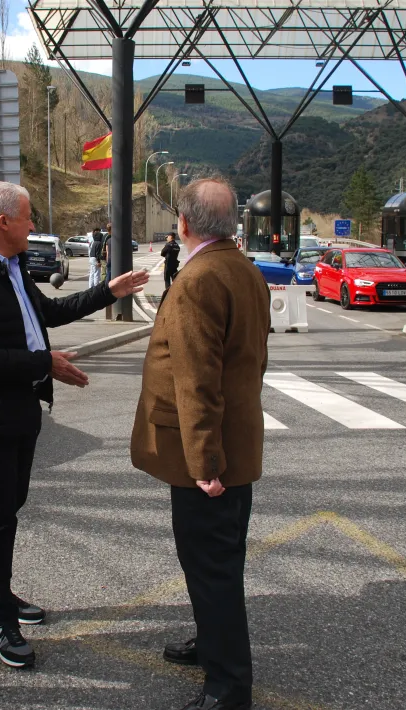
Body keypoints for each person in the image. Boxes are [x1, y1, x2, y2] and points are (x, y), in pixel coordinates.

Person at [0, 182, 149, 669]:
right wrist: (43, 364)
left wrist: (108, 291)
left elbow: (48, 313)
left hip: (21, 412)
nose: (34, 226)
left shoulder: (11, 267)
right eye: (28, 218)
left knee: (10, 508)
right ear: (3, 222)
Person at [130, 178, 271, 710]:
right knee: (218, 562)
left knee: (211, 569)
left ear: (184, 225)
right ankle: (211, 643)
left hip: (208, 460)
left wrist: (205, 462)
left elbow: (197, 380)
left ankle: (228, 688)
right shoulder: (243, 269)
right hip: (235, 446)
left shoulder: (198, 279)